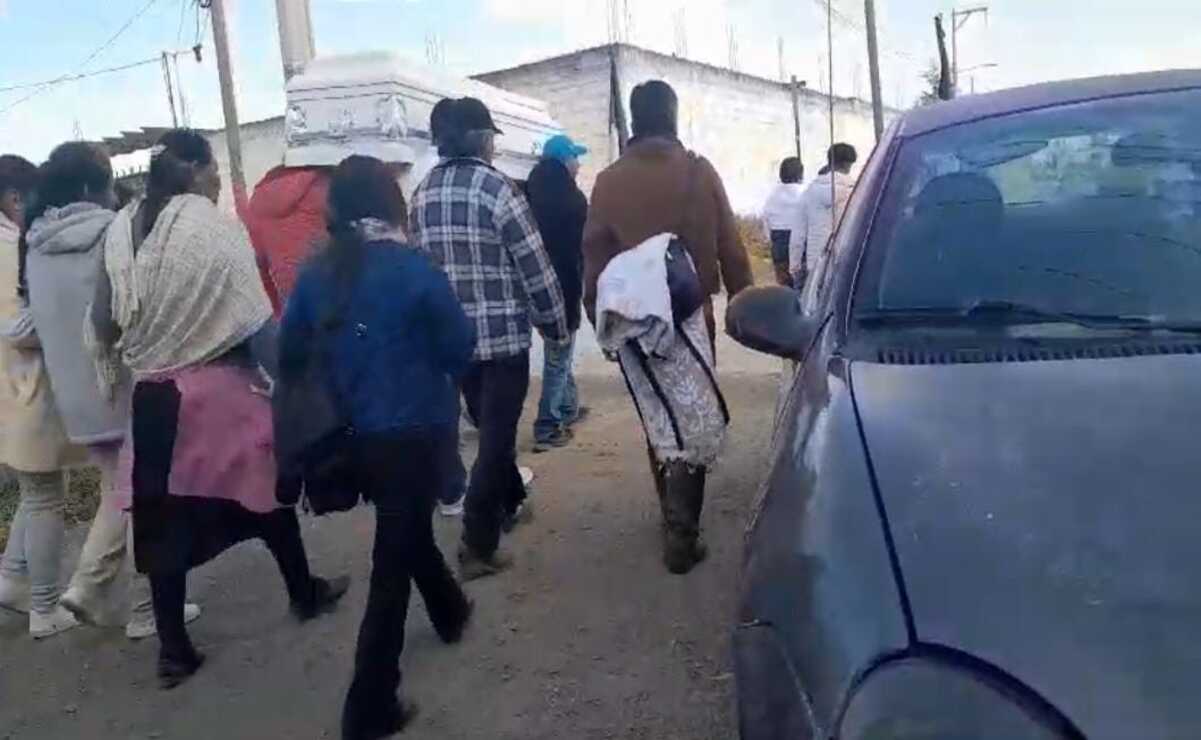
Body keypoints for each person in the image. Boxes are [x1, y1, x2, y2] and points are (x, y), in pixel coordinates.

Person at [89, 130, 347, 689]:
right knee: (268, 500)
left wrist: (147, 346)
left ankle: (174, 651)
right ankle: (304, 592)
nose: (217, 181)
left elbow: (103, 322)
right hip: (217, 395)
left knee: (160, 524)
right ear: (196, 169)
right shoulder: (212, 230)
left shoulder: (120, 232)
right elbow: (255, 326)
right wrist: (297, 387)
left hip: (152, 399)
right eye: (213, 170)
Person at [280, 155, 475, 740]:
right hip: (415, 432)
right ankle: (369, 706)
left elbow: (289, 354)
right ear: (391, 202)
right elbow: (459, 347)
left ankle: (449, 609)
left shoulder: (316, 274)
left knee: (403, 525)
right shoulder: (414, 268)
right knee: (391, 563)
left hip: (348, 438)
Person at [23, 142, 199, 640]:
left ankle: (123, 599)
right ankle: (109, 594)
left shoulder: (33, 246)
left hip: (76, 396)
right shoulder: (114, 232)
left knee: (119, 492)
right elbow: (136, 302)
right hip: (123, 381)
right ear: (88, 187)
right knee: (142, 497)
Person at [582, 80, 754, 574]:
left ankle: (670, 510)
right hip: (691, 316)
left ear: (635, 121)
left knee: (659, 414)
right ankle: (682, 530)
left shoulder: (608, 182)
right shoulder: (699, 171)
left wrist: (599, 320)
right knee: (694, 412)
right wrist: (744, 302)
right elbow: (731, 246)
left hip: (635, 325)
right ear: (673, 117)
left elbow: (593, 258)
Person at [409, 97, 569, 581]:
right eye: (492, 138)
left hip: (452, 344)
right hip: (501, 344)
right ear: (481, 140)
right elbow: (534, 266)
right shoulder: (498, 190)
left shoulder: (422, 195)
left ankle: (512, 500)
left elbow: (419, 269)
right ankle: (477, 545)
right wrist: (555, 326)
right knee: (496, 441)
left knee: (490, 427)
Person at [0, 155, 89, 638]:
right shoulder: (10, 249)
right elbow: (20, 329)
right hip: (30, 389)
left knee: (37, 492)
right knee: (45, 497)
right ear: (16, 198)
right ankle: (44, 608)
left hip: (11, 393)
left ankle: (13, 581)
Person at [525, 134, 590, 452]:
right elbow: (581, 250)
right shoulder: (572, 200)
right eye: (575, 157)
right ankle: (548, 427)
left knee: (558, 351)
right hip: (562, 287)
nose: (579, 164)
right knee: (559, 354)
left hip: (529, 287)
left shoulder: (527, 191)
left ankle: (568, 407)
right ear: (564, 160)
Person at [792, 143, 857, 290]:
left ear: (829, 161)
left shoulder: (810, 192)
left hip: (816, 263)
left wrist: (795, 265)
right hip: (847, 261)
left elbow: (798, 234)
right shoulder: (857, 191)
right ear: (850, 164)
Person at [761, 156, 805, 287]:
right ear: (800, 174)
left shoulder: (772, 196)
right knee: (802, 284)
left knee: (785, 285)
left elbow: (766, 222)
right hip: (801, 242)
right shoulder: (805, 193)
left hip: (779, 243)